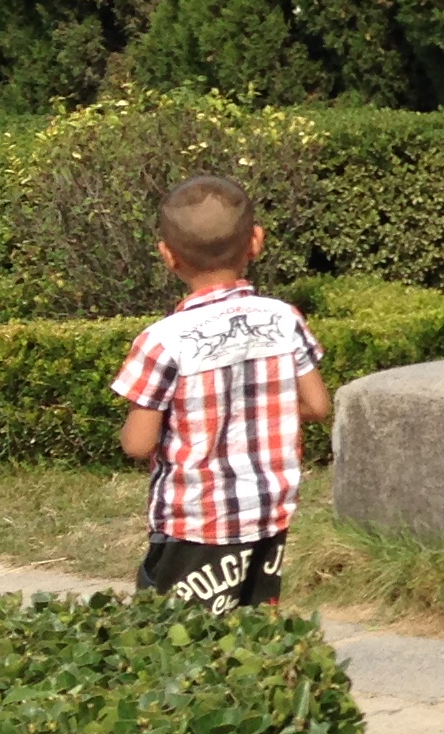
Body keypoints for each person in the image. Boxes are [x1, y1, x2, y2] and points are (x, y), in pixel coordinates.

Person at [110, 176, 331, 616]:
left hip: (193, 522)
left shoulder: (162, 341)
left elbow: (138, 444)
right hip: (268, 512)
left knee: (176, 641)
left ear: (167, 256)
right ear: (256, 241)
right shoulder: (283, 320)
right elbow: (319, 406)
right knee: (253, 633)